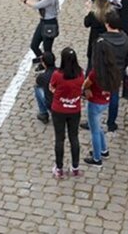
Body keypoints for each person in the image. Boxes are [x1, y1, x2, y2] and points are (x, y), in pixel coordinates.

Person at [48, 46, 84, 179]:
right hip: (74, 109)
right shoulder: (80, 74)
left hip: (59, 110)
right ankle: (75, 167)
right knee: (74, 138)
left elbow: (52, 87)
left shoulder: (58, 75)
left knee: (60, 138)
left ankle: (59, 168)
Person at [83, 38, 119, 168]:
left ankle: (97, 158)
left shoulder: (95, 72)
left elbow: (86, 84)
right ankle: (104, 150)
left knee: (94, 131)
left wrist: (85, 89)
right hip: (105, 101)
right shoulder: (112, 69)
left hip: (95, 102)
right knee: (98, 127)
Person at [95, 10, 128, 134]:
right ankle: (111, 122)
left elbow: (97, 61)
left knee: (97, 98)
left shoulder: (102, 41)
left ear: (107, 24)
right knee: (114, 97)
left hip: (104, 73)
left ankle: (94, 121)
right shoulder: (125, 39)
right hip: (118, 73)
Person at [21, 0, 60, 69]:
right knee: (34, 45)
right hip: (43, 22)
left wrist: (25, 0)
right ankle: (43, 61)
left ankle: (49, 66)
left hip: (50, 24)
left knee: (47, 49)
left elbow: (37, 5)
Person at [33, 51, 56, 124]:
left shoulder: (42, 76)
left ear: (43, 63)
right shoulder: (61, 71)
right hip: (64, 102)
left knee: (37, 88)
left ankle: (43, 113)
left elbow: (38, 82)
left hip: (53, 105)